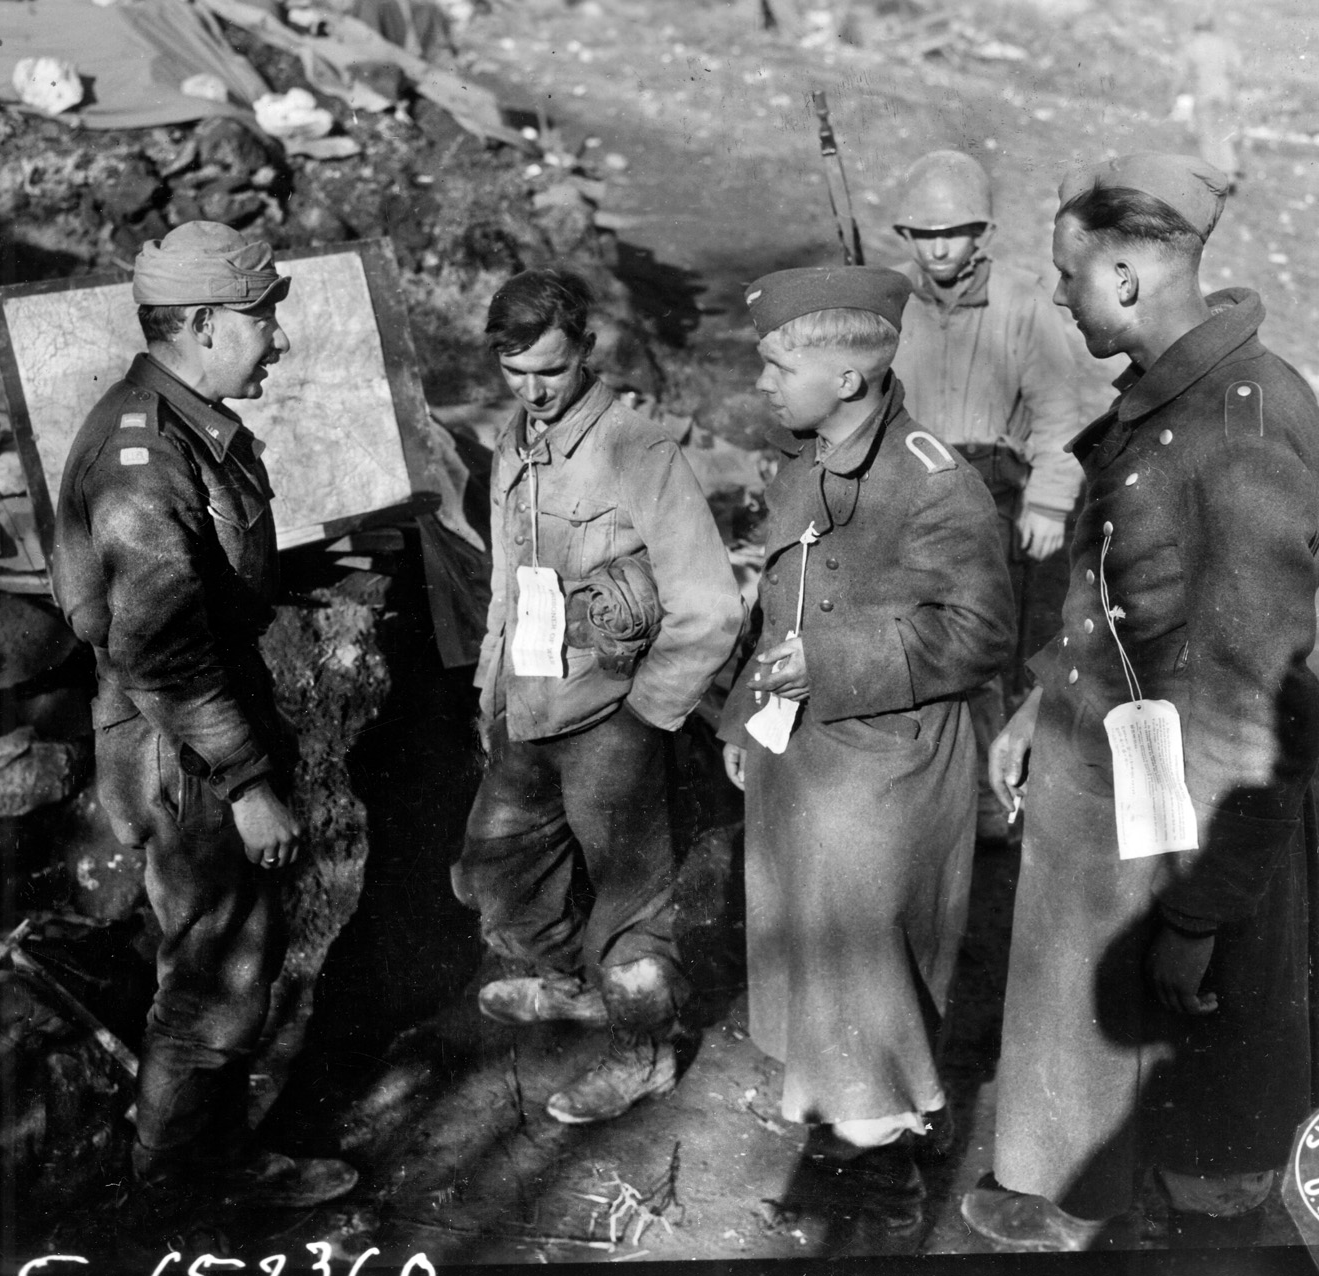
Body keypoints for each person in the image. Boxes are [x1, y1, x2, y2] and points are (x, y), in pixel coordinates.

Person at [962, 153, 1319, 1251]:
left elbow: (1257, 709)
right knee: (1099, 1017)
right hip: (1114, 782)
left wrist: (1196, 913)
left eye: (1064, 275)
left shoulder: (1241, 433)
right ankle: (1084, 1191)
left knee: (1197, 1085)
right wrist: (1042, 702)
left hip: (1188, 817)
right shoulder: (1160, 404)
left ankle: (1166, 1212)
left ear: (1124, 278)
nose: (1053, 296)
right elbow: (1115, 585)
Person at [51, 222, 358, 1209]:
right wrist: (248, 785)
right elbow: (160, 645)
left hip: (186, 733)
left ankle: (202, 1163)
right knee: (213, 972)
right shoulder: (146, 454)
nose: (277, 336)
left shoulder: (178, 424)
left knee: (218, 956)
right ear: (204, 324)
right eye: (263, 316)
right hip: (182, 749)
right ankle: (180, 1202)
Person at [718, 265, 1014, 1249]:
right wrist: (741, 713)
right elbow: (778, 605)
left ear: (845, 379)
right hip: (801, 749)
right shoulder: (802, 462)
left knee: (868, 961)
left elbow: (980, 633)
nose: (761, 382)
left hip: (887, 758)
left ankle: (883, 1171)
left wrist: (829, 665)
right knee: (812, 946)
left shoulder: (935, 484)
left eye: (776, 364)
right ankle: (845, 1130)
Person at [452, 268, 742, 1125]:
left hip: (611, 714)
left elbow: (711, 602)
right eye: (515, 372)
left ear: (585, 349)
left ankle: (642, 1052)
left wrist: (652, 710)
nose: (534, 390)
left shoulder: (638, 448)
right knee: (495, 872)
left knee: (631, 909)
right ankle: (574, 984)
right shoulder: (513, 441)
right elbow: (506, 580)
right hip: (527, 700)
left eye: (549, 368)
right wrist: (488, 685)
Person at [887, 149, 1083, 841]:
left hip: (989, 490)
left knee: (977, 647)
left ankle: (982, 798)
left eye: (954, 231)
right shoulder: (891, 302)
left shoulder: (1021, 304)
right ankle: (912, 788)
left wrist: (1049, 501)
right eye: (923, 233)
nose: (939, 247)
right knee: (901, 635)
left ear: (983, 235)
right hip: (904, 488)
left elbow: (1060, 412)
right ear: (905, 238)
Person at [1173, 8, 1245, 188]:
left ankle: (1216, 177)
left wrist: (1172, 96)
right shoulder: (1224, 44)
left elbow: (1180, 73)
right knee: (1223, 134)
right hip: (1225, 95)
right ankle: (1230, 175)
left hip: (1204, 96)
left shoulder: (1193, 44)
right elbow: (1236, 70)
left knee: (1207, 137)